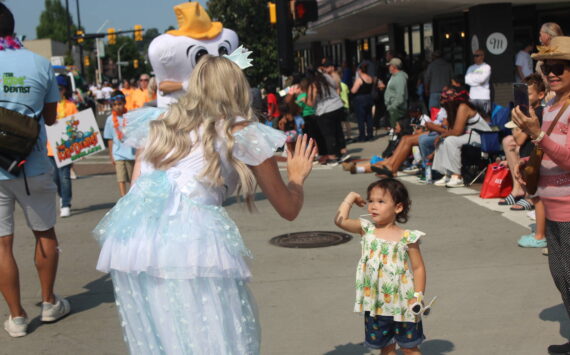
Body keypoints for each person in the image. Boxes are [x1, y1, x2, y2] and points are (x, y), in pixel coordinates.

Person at [93, 55, 317, 354]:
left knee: (165, 340)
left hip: (133, 242)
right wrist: (298, 177)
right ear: (238, 89)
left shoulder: (158, 122)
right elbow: (288, 208)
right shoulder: (241, 130)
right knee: (212, 339)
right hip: (190, 241)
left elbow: (135, 190)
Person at [0, 4, 70, 338]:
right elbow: (52, 117)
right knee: (44, 233)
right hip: (33, 165)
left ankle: (16, 318)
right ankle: (49, 302)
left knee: (2, 245)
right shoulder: (40, 64)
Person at [511, 36, 570, 355]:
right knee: (562, 276)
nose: (551, 73)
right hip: (553, 206)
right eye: (547, 67)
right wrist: (529, 160)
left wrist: (537, 135)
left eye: (558, 67)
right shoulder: (550, 106)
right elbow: (548, 149)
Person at [334, 178, 426, 354]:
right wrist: (351, 197)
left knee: (410, 348)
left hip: (404, 303)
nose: (373, 206)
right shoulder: (366, 229)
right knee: (386, 348)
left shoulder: (408, 237)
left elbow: (418, 268)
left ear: (398, 208)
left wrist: (418, 296)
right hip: (376, 305)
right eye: (371, 200)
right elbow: (340, 220)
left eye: (381, 201)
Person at [499, 74, 546, 249]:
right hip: (530, 157)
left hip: (534, 159)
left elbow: (518, 139)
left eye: (530, 94)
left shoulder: (535, 114)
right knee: (538, 198)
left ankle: (540, 235)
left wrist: (517, 122)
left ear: (541, 95)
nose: (526, 98)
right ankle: (543, 232)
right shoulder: (535, 113)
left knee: (537, 198)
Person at [432, 88, 491, 187]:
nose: (446, 99)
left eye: (449, 96)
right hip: (470, 135)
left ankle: (457, 176)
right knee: (443, 141)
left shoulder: (463, 106)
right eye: (444, 97)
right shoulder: (454, 108)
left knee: (451, 141)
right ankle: (447, 174)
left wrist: (441, 135)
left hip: (483, 137)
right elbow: (451, 129)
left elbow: (457, 131)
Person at [306, 69, 350, 164]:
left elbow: (310, 102)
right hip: (337, 105)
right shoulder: (326, 77)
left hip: (324, 110)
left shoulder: (313, 85)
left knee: (328, 134)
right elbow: (337, 85)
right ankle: (343, 151)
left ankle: (332, 156)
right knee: (338, 130)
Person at [49, 76, 78, 217]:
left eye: (59, 88)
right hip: (49, 147)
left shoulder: (71, 105)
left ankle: (66, 203)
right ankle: (62, 196)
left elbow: (77, 123)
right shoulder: (47, 104)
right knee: (55, 177)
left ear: (64, 90)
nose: (56, 91)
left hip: (65, 147)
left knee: (65, 176)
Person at [103, 91, 135, 197]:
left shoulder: (130, 117)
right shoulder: (110, 120)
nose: (117, 107)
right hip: (118, 154)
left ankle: (132, 196)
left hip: (131, 153)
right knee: (121, 177)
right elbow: (110, 138)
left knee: (132, 177)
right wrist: (111, 155)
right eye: (115, 105)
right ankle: (123, 197)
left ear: (124, 103)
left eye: (120, 104)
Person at [351, 62, 375, 141]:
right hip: (369, 98)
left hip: (360, 99)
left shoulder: (359, 79)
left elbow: (354, 91)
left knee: (361, 118)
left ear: (360, 70)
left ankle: (362, 136)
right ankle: (370, 134)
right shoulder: (370, 78)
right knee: (369, 117)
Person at [465, 49, 492, 116]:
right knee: (473, 116)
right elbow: (467, 80)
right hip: (473, 97)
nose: (475, 57)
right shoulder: (471, 67)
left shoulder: (486, 67)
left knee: (485, 116)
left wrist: (473, 79)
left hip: (484, 97)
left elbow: (482, 80)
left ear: (482, 56)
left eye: (477, 55)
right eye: (474, 56)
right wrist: (477, 82)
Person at [384, 58, 408, 129]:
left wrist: (392, 107)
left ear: (394, 67)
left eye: (390, 65)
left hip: (397, 109)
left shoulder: (400, 78)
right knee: (394, 131)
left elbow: (400, 95)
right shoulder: (394, 76)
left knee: (398, 131)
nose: (388, 67)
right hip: (393, 109)